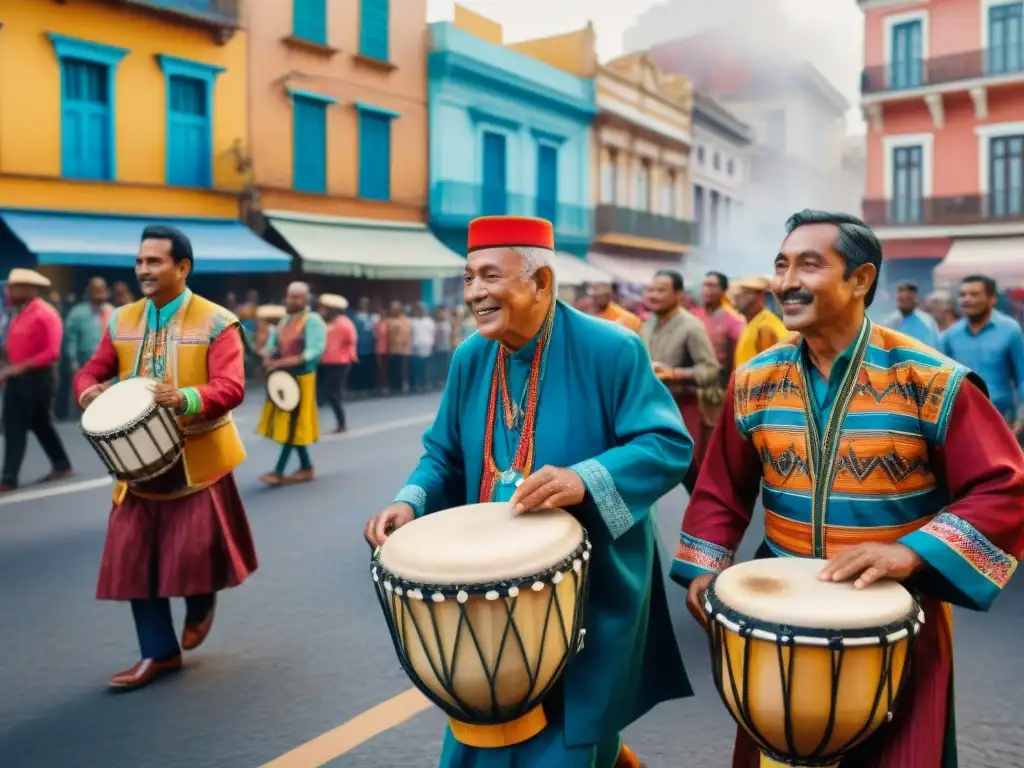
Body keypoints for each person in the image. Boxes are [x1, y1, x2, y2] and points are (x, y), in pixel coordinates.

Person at [672, 210, 1024, 768]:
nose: (786, 281)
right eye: (781, 265)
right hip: (777, 616)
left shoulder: (929, 380)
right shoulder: (754, 381)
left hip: (896, 616)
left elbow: (1005, 486)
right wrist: (704, 568)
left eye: (808, 265)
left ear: (861, 279)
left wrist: (911, 551)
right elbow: (720, 491)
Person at [364, 216, 694, 768]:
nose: (475, 294)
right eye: (469, 279)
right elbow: (442, 454)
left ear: (541, 282)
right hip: (488, 586)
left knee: (570, 739)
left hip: (590, 585)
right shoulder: (471, 356)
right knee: (483, 737)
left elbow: (666, 443)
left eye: (490, 277)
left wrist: (584, 478)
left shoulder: (611, 349)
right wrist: (411, 500)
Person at [73, 225, 258, 690]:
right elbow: (91, 371)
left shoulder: (219, 322)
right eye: (139, 262)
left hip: (197, 458)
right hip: (134, 467)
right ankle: (159, 653)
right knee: (133, 558)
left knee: (193, 556)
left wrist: (186, 398)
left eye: (153, 262)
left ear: (182, 268)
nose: (143, 270)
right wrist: (88, 391)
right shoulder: (120, 320)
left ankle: (201, 601)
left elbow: (231, 387)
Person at [639, 269, 719, 494]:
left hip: (682, 411)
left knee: (690, 474)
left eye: (661, 290)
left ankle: (704, 525)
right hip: (651, 410)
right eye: (651, 289)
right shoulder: (648, 323)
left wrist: (674, 374)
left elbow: (710, 370)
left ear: (678, 294)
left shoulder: (691, 327)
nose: (653, 295)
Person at [0, 268, 74, 491]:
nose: (9, 291)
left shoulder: (45, 314)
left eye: (14, 287)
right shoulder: (18, 313)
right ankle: (61, 464)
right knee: (40, 423)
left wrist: (18, 368)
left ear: (30, 289)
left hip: (38, 378)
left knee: (15, 425)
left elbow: (52, 352)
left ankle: (8, 478)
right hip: (16, 376)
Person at [257, 282, 327, 485]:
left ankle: (278, 472)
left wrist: (285, 362)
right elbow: (272, 344)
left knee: (292, 422)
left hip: (301, 378)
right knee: (288, 421)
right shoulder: (285, 320)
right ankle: (306, 467)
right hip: (281, 377)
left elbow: (315, 351)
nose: (292, 300)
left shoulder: (313, 321)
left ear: (306, 300)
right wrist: (267, 358)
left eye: (297, 297)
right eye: (290, 296)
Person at [939, 274, 1024, 433]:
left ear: (992, 299)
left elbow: (1022, 376)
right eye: (963, 294)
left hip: (1002, 419)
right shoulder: (950, 336)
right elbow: (941, 380)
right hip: (961, 421)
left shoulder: (1010, 330)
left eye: (974, 294)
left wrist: (1021, 416)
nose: (967, 299)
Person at [317, 293, 356, 433]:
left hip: (340, 363)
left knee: (331, 393)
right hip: (325, 362)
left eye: (324, 308)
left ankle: (342, 424)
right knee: (328, 393)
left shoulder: (344, 323)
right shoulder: (326, 323)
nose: (321, 311)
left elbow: (351, 341)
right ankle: (339, 424)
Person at [731, 275, 788, 368]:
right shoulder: (752, 322)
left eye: (744, 293)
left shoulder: (765, 327)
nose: (737, 298)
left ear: (760, 297)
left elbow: (769, 371)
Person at [882, 280, 940, 347]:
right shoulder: (889, 323)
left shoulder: (927, 323)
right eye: (901, 300)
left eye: (908, 299)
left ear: (916, 299)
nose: (905, 304)